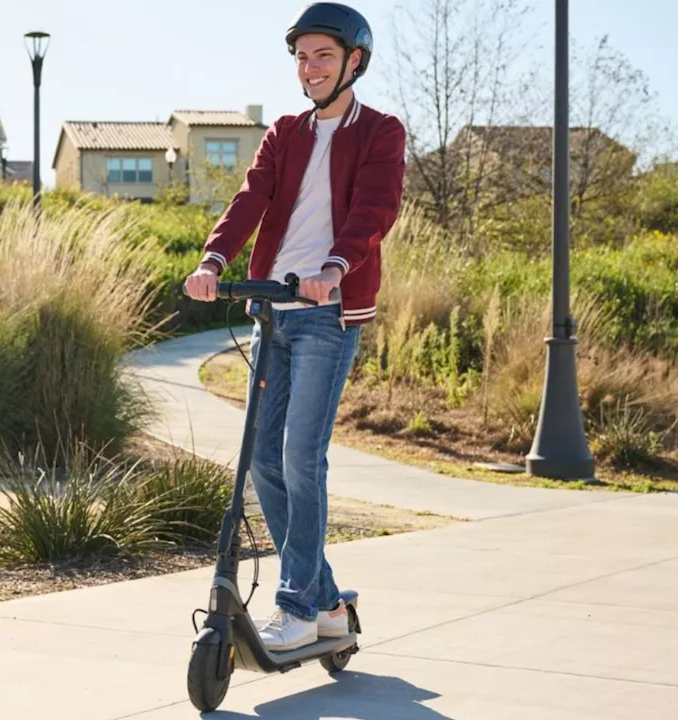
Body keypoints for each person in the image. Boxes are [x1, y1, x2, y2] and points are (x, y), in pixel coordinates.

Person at [183, 2, 406, 651]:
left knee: (301, 459)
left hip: (328, 315)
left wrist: (335, 268)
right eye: (302, 57)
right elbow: (250, 197)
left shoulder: (381, 132)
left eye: (324, 56)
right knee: (263, 464)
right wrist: (213, 260)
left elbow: (375, 209)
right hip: (273, 315)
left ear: (354, 62)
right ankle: (330, 602)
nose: (309, 68)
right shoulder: (284, 131)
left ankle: (300, 607)